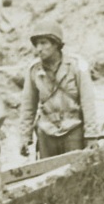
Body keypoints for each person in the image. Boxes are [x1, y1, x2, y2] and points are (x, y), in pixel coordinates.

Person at [18, 19, 97, 159]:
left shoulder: (76, 65)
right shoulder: (34, 70)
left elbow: (88, 102)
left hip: (73, 130)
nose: (39, 48)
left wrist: (91, 135)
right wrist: (25, 137)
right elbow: (28, 106)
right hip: (46, 133)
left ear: (56, 44)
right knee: (46, 176)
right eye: (36, 44)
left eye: (44, 43)